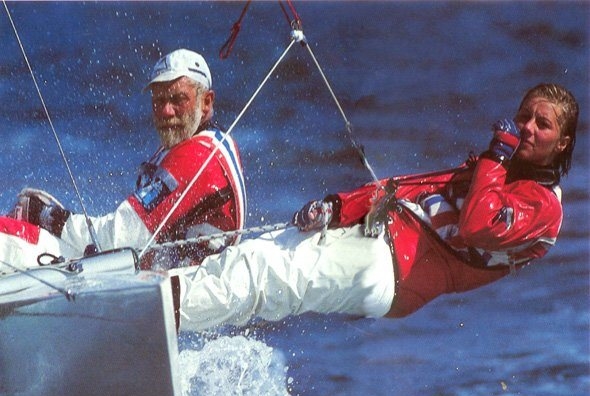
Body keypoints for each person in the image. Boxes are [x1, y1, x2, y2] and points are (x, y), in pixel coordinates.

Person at [170, 83, 578, 332]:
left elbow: (477, 225)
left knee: (270, 274)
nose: (527, 127)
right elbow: (404, 191)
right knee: (253, 254)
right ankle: (161, 292)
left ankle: (162, 314)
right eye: (524, 116)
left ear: (561, 143)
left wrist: (496, 157)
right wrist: (338, 207)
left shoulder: (543, 208)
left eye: (542, 124)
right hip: (378, 236)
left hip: (394, 270)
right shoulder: (496, 172)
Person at [0, 48, 246, 271]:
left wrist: (48, 217)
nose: (166, 111)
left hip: (167, 291)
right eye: (159, 100)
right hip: (160, 278)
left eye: (178, 100)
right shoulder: (211, 142)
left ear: (206, 102)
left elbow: (115, 241)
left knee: (8, 233)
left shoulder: (195, 156)